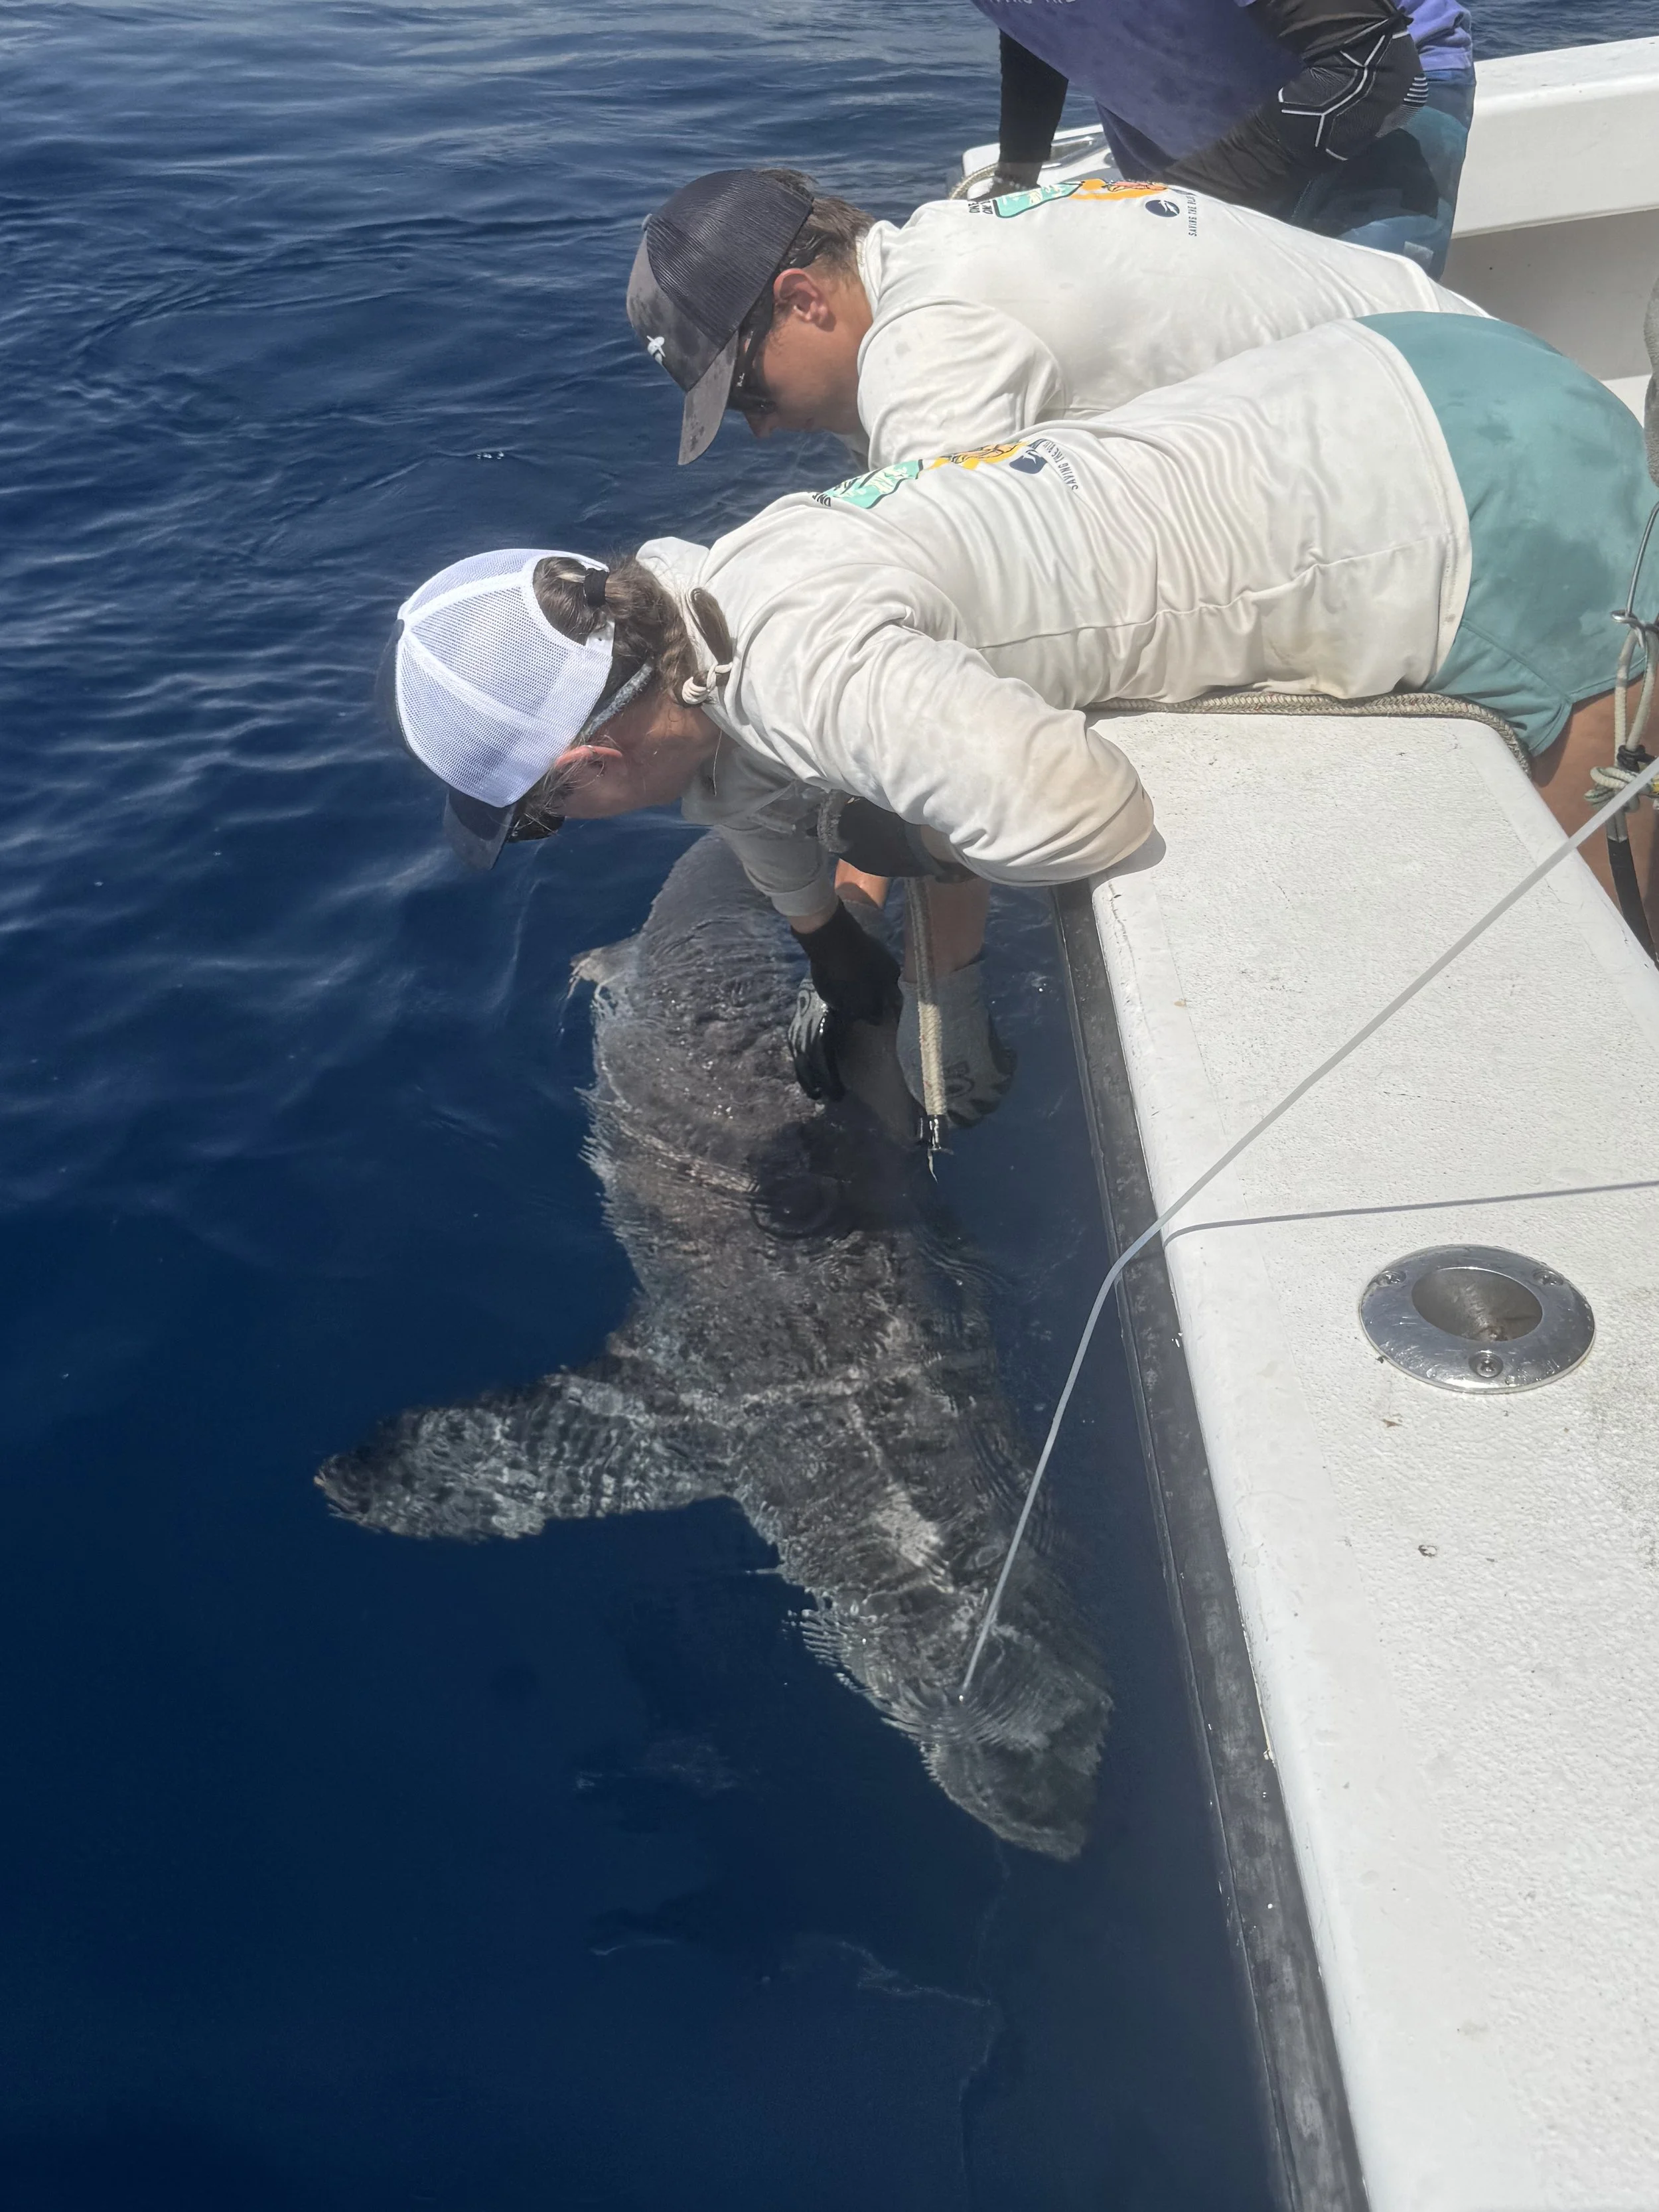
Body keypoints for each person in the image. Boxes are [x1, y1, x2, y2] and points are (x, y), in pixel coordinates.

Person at [383, 313, 1655, 1124]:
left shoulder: (800, 664)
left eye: (545, 819)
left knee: (1569, 978)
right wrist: (826, 934)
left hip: (1492, 501)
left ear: (589, 762)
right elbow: (751, 776)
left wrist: (920, 838)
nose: (568, 829)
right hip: (1390, 375)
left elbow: (1084, 805)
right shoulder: (712, 592)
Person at [628, 166, 1480, 470]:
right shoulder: (939, 242)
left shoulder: (929, 343)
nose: (765, 433)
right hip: (1458, 356)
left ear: (801, 300)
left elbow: (949, 598)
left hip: (1456, 429)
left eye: (748, 396)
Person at [975, 0, 1475, 278]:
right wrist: (1018, 167)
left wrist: (1149, 208)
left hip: (1375, 110)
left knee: (1349, 370)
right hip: (1184, 136)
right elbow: (1031, 17)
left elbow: (1373, 75)